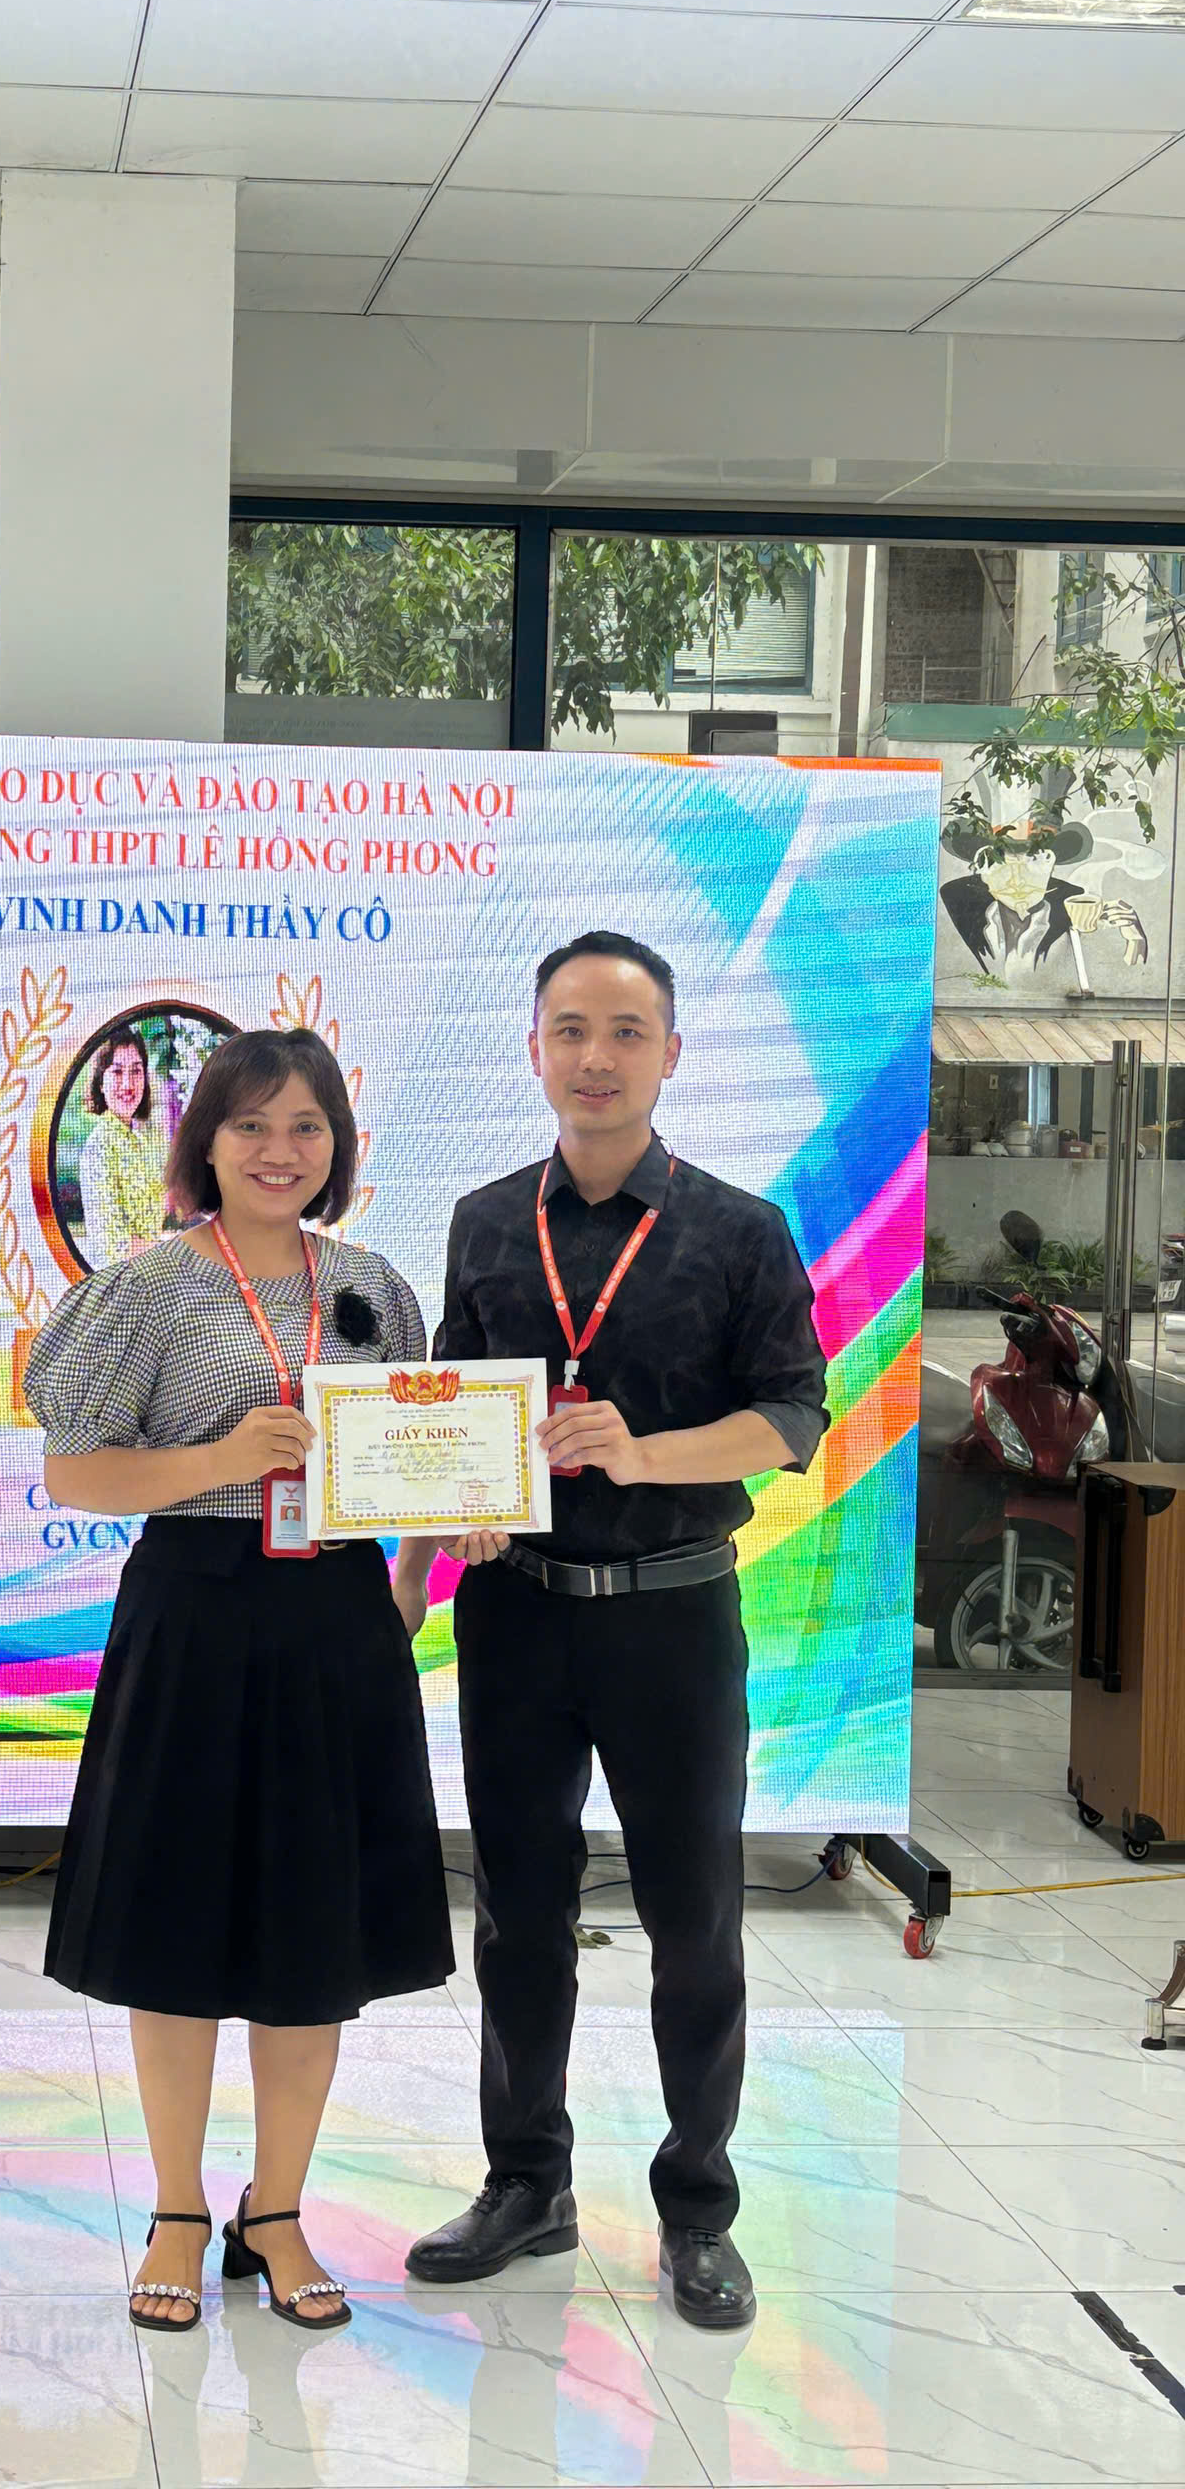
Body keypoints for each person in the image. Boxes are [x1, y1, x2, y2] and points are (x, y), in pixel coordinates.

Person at [394, 931, 828, 2331]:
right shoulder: (482, 1220)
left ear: (671, 1054)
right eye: (570, 1030)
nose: (596, 1057)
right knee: (518, 1912)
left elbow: (794, 1418)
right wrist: (422, 1557)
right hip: (516, 1614)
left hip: (673, 1615)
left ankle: (699, 2206)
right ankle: (527, 2181)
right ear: (534, 1049)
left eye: (626, 1032)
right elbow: (445, 1414)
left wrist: (644, 1455)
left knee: (694, 1918)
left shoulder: (740, 1230)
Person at [25, 1026, 453, 2336]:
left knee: (313, 1932)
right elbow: (75, 1472)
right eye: (252, 1124)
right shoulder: (148, 1288)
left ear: (337, 1147)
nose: (281, 1149)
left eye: (307, 1125)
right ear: (204, 1142)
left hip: (337, 1622)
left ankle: (278, 2209)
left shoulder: (375, 1288)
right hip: (194, 1613)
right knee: (176, 1920)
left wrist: (409, 1583)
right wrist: (222, 1456)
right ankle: (175, 2208)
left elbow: (424, 1460)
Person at [77, 1029, 169, 1267]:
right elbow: (114, 1245)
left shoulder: (142, 1141)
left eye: (136, 1071)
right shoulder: (99, 1147)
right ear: (100, 1082)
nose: (128, 1084)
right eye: (117, 1071)